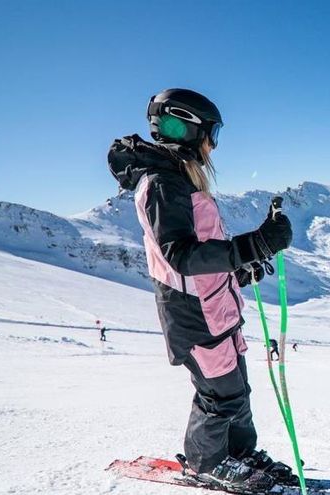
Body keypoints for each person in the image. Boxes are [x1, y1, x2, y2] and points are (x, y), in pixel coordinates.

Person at [108, 88, 294, 492]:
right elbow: (180, 256)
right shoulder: (162, 184)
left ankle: (238, 454)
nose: (213, 143)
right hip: (193, 317)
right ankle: (206, 462)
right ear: (189, 129)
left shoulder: (178, 178)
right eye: (212, 133)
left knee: (237, 391)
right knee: (219, 395)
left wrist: (239, 273)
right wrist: (255, 245)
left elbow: (200, 255)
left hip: (216, 307)